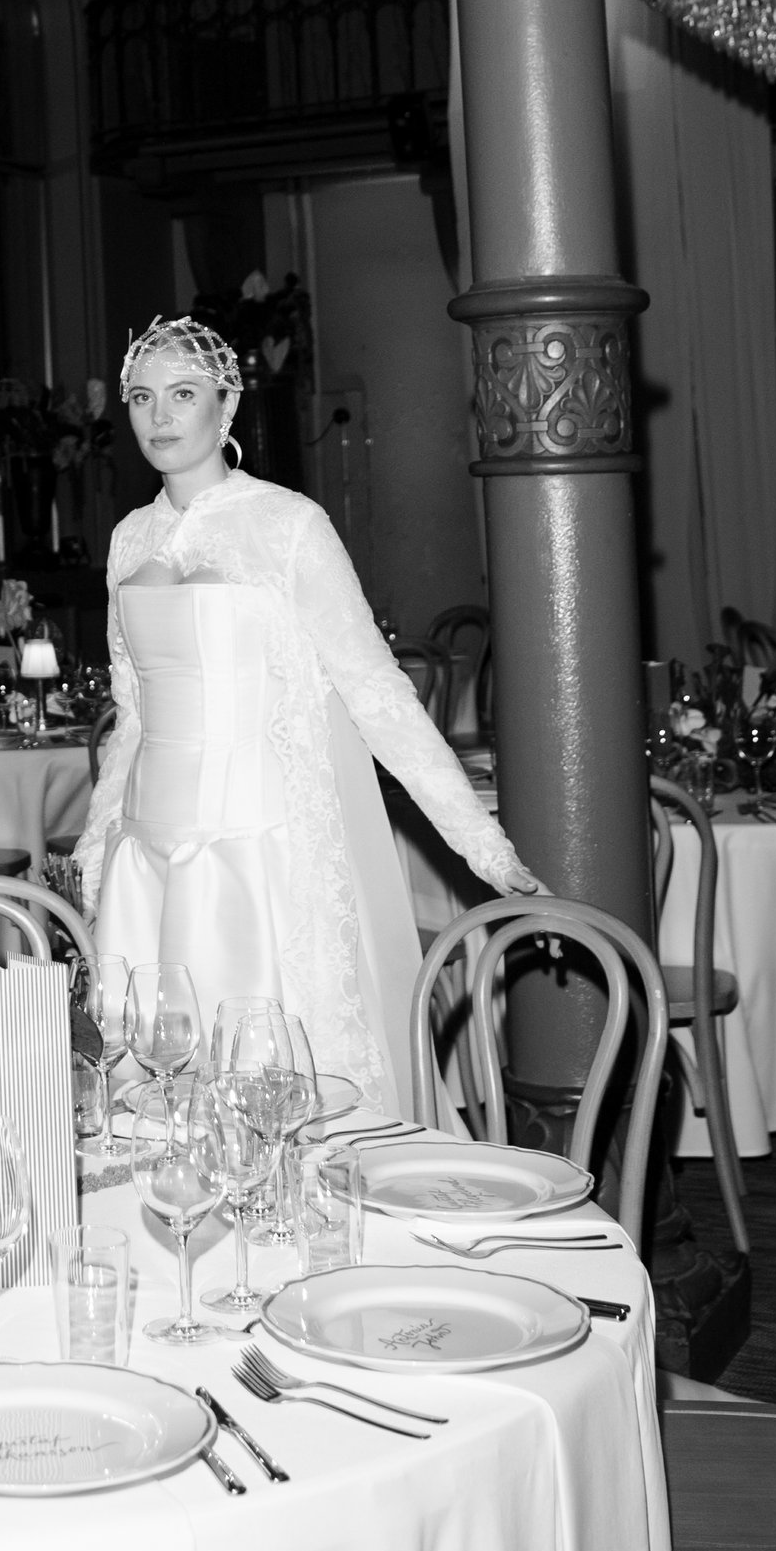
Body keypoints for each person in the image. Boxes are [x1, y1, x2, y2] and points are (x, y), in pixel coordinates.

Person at [73, 315, 537, 1111]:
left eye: (183, 395)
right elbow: (134, 713)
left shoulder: (289, 525)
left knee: (264, 1086)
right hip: (144, 855)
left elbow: (376, 691)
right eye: (142, 398)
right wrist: (95, 838)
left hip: (253, 850)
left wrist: (483, 846)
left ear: (226, 406)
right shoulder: (127, 540)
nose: (160, 416)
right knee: (153, 1094)